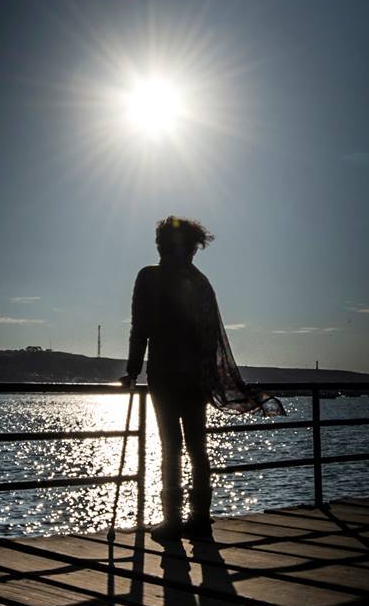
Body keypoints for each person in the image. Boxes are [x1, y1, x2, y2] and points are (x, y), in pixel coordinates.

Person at [121, 216, 284, 539]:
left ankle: (172, 521)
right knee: (197, 445)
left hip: (165, 373)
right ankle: (199, 518)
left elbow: (140, 328)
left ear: (160, 245)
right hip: (196, 376)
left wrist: (132, 370)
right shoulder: (200, 283)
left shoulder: (149, 278)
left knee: (172, 445)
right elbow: (210, 337)